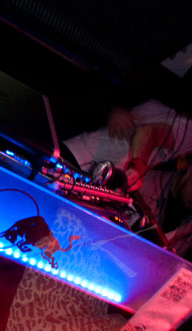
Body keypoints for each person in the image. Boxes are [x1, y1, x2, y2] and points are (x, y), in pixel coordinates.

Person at [64, 99, 192, 258]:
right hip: (77, 162)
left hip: (88, 193)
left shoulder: (163, 184)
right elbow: (148, 133)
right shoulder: (187, 131)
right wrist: (137, 167)